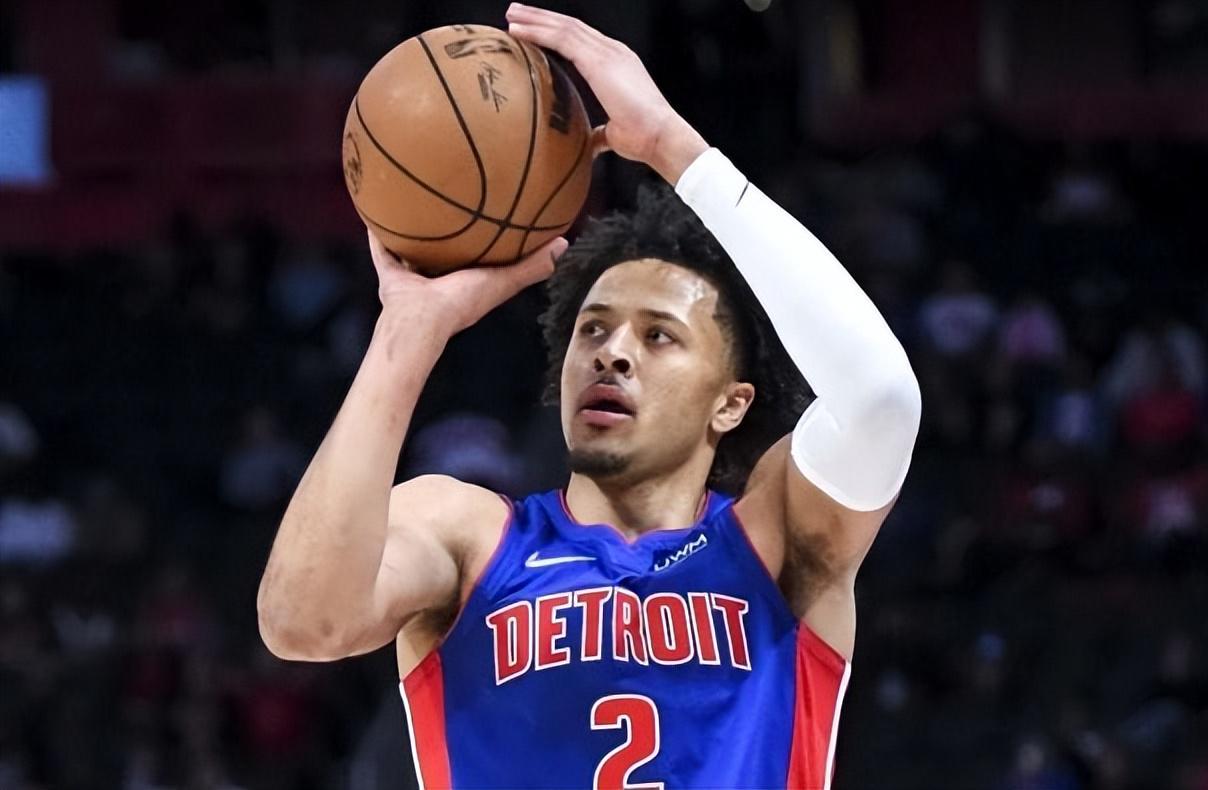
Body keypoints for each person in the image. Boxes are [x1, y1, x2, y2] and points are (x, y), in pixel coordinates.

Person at [256, 5, 921, 788]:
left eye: (659, 336)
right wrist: (407, 334)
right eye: (594, 329)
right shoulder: (469, 537)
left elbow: (880, 399)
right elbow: (302, 622)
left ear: (731, 402)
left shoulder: (776, 540)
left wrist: (677, 150)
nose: (613, 351)